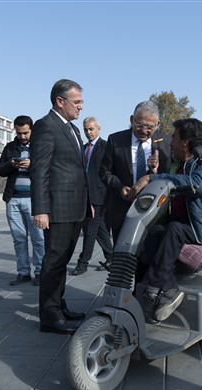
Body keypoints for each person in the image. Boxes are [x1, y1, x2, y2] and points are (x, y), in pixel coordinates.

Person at [128, 118, 202, 324]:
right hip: (178, 224)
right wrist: (153, 175)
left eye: (174, 138)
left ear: (186, 142)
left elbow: (196, 185)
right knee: (152, 232)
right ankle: (169, 288)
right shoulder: (177, 165)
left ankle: (154, 288)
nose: (170, 143)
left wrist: (151, 179)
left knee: (174, 229)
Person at [30, 79, 89, 335]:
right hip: (57, 209)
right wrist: (40, 209)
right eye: (77, 102)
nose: (81, 107)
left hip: (75, 207)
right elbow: (39, 170)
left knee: (62, 261)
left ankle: (58, 305)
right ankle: (49, 317)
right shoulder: (46, 126)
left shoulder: (73, 129)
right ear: (60, 102)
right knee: (53, 263)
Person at [99, 101, 172, 245]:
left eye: (149, 127)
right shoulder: (115, 140)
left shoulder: (166, 143)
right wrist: (120, 188)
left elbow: (173, 175)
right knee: (123, 259)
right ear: (132, 120)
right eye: (139, 125)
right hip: (122, 211)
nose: (144, 131)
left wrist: (155, 172)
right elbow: (104, 171)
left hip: (155, 211)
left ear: (157, 124)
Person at [0, 115, 45, 286]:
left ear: (32, 130)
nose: (22, 136)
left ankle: (40, 272)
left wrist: (32, 164)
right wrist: (12, 164)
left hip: (34, 200)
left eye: (25, 133)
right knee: (19, 238)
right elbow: (0, 170)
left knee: (38, 238)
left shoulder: (40, 146)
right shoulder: (10, 147)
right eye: (19, 133)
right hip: (13, 200)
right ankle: (23, 272)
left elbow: (49, 168)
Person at [71, 117, 113, 276]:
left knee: (90, 230)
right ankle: (111, 257)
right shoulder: (81, 148)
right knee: (99, 228)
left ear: (99, 129)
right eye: (86, 129)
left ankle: (83, 263)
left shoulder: (106, 146)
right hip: (83, 194)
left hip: (99, 195)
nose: (88, 132)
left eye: (91, 129)